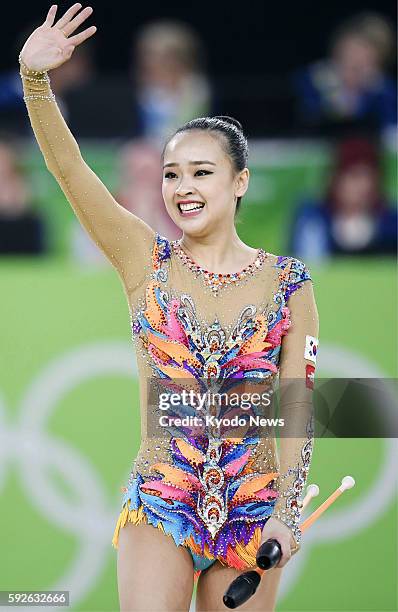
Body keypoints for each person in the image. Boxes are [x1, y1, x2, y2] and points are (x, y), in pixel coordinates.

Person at [19, 4, 319, 610]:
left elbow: (298, 406)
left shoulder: (290, 282)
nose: (183, 188)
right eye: (171, 174)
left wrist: (286, 513)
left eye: (201, 172)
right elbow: (70, 171)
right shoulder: (144, 259)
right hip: (163, 497)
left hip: (254, 510)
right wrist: (35, 82)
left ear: (239, 182)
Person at [289, 137, 397, 260]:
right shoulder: (313, 218)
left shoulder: (391, 223)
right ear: (336, 179)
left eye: (370, 178)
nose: (364, 186)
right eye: (355, 176)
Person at [293, 12, 397, 136]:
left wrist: (375, 91)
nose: (358, 56)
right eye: (355, 47)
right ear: (339, 47)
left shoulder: (383, 89)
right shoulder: (312, 78)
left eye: (368, 50)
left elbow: (391, 128)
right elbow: (308, 119)